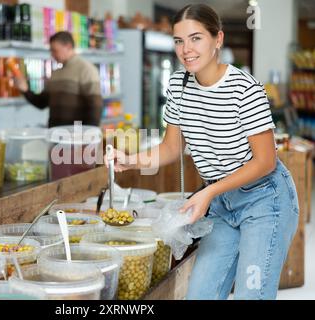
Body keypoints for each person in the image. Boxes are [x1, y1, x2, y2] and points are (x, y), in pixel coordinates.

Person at [106, 4, 299, 300]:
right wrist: (130, 160)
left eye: (196, 38)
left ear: (217, 39)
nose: (186, 49)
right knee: (200, 294)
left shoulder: (245, 89)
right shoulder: (178, 85)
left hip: (265, 201)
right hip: (221, 203)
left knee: (252, 294)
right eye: (179, 41)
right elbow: (171, 148)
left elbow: (265, 161)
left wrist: (208, 193)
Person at [15, 31, 103, 127]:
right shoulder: (56, 73)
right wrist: (25, 90)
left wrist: (86, 136)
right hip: (55, 135)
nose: (52, 55)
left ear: (68, 47)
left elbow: (95, 108)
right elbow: (41, 102)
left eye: (55, 50)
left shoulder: (86, 69)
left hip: (76, 137)